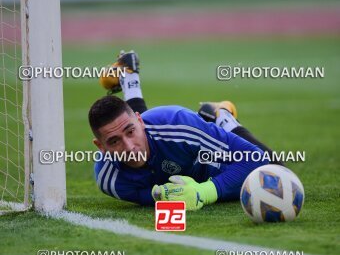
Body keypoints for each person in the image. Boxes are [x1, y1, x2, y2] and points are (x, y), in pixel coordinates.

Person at [88, 51, 280, 210]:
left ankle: (222, 118)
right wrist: (161, 196)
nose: (129, 147)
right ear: (101, 147)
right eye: (114, 141)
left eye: (130, 132)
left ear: (140, 120)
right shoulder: (108, 178)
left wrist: (204, 192)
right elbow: (143, 196)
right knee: (148, 139)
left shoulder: (179, 125)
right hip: (157, 133)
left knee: (275, 172)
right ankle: (128, 75)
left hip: (201, 156)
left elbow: (255, 158)